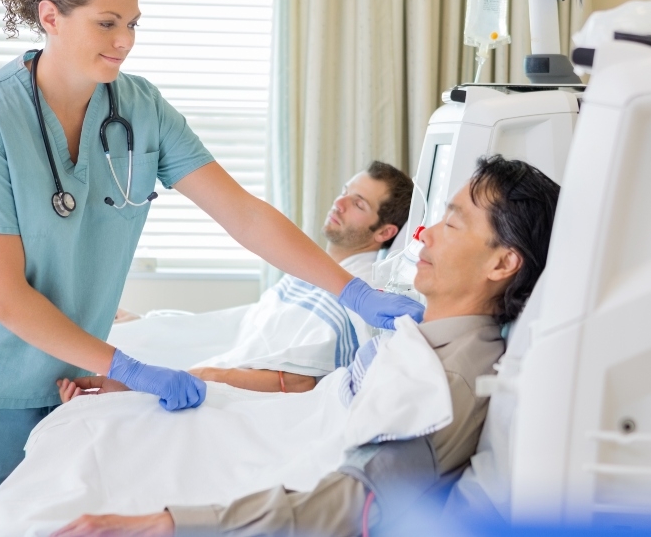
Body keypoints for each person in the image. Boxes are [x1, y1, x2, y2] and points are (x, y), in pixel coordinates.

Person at [0, 0, 421, 536]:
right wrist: (131, 367)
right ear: (50, 17)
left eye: (134, 24)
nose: (125, 43)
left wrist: (350, 290)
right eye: (108, 23)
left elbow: (242, 213)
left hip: (62, 372)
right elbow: (3, 298)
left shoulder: (139, 109)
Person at [49, 156, 562, 536]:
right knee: (94, 430)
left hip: (277, 467)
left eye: (451, 223)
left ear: (502, 265)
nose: (423, 235)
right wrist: (145, 387)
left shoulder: (441, 385)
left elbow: (346, 505)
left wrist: (167, 524)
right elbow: (320, 401)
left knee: (70, 480)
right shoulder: (419, 339)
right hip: (273, 431)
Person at [97, 160, 414, 394]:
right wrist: (156, 322)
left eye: (358, 204)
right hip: (224, 350)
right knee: (117, 334)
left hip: (225, 375)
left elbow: (299, 379)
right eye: (346, 192)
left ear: (385, 232)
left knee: (102, 376)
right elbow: (251, 324)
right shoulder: (309, 268)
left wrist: (202, 374)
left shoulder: (362, 295)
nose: (340, 203)